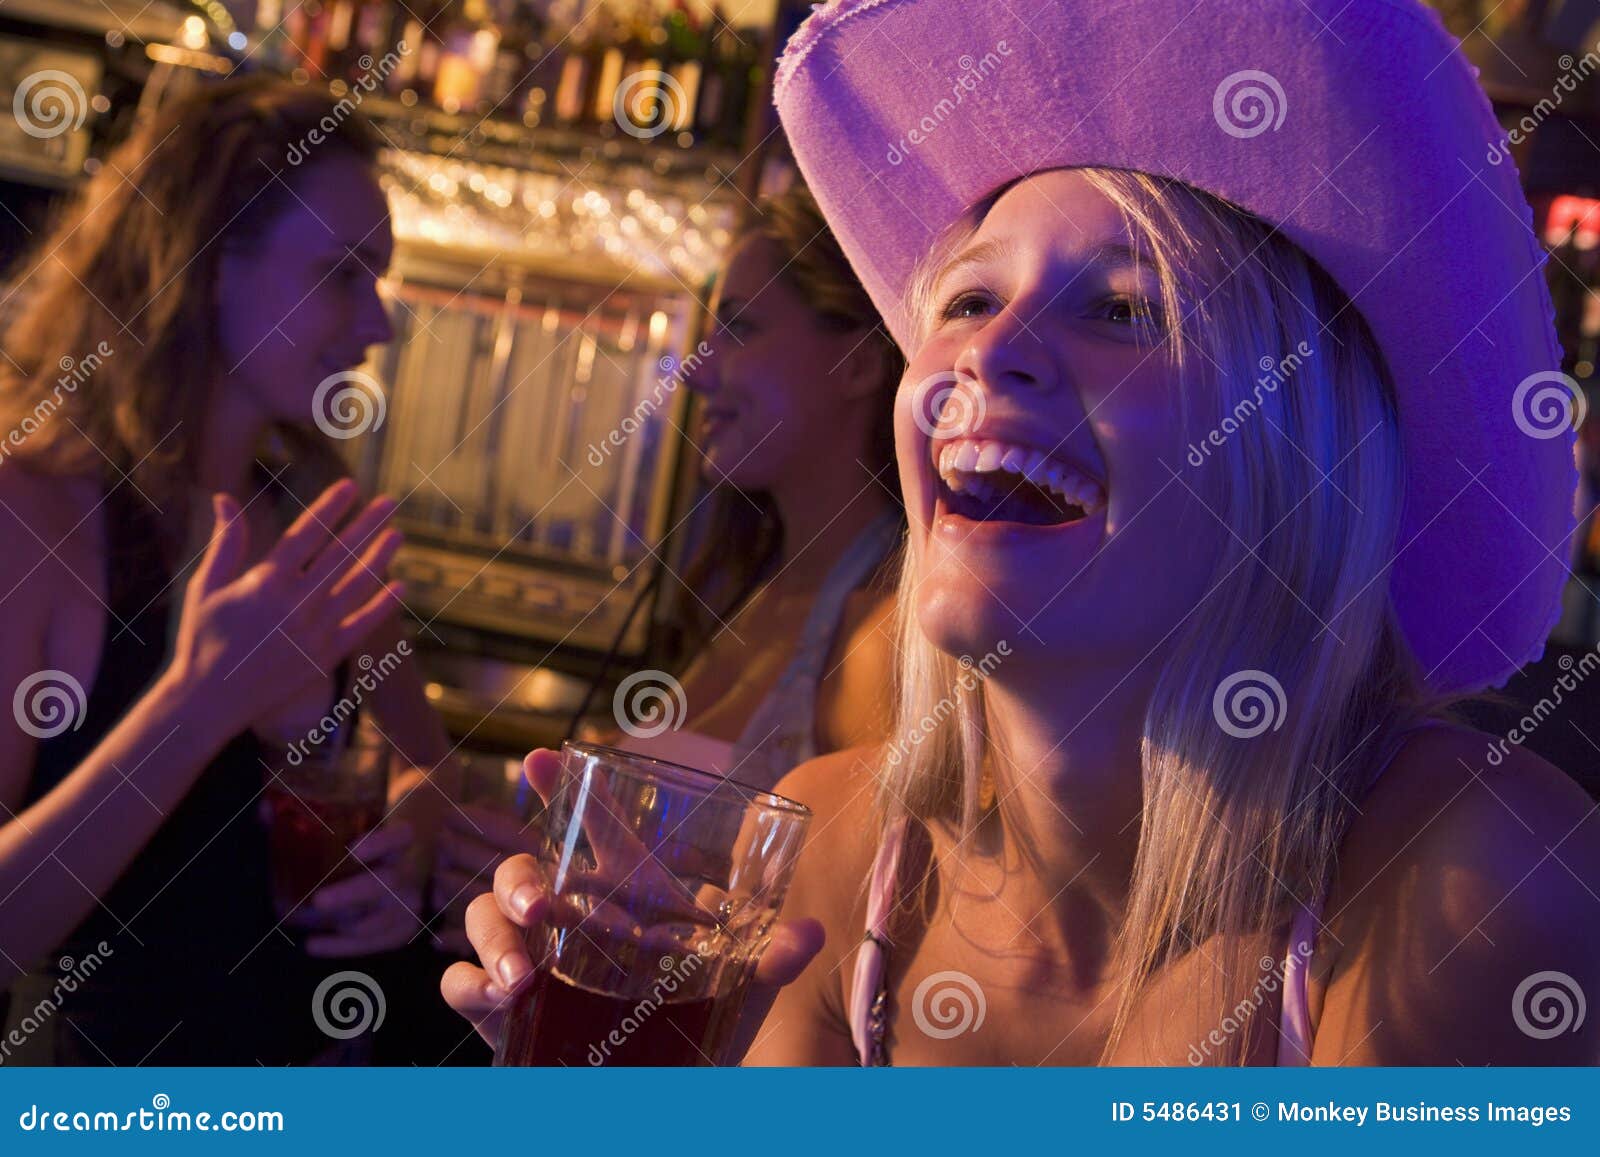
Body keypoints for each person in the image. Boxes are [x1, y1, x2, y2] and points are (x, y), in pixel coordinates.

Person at [444, 0, 1600, 1065]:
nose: (985, 353)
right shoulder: (839, 861)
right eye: (966, 300)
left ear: (1288, 447)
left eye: (1119, 309)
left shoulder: (1471, 879)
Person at [0, 76, 447, 1064]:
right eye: (341, 273)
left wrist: (412, 834)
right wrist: (198, 703)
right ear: (200, 262)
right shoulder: (30, 511)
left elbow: (431, 769)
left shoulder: (307, 513)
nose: (375, 328)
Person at [427, 185, 906, 952]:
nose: (697, 370)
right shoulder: (752, 584)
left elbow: (855, 948)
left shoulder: (885, 627)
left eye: (740, 329)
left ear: (859, 363)